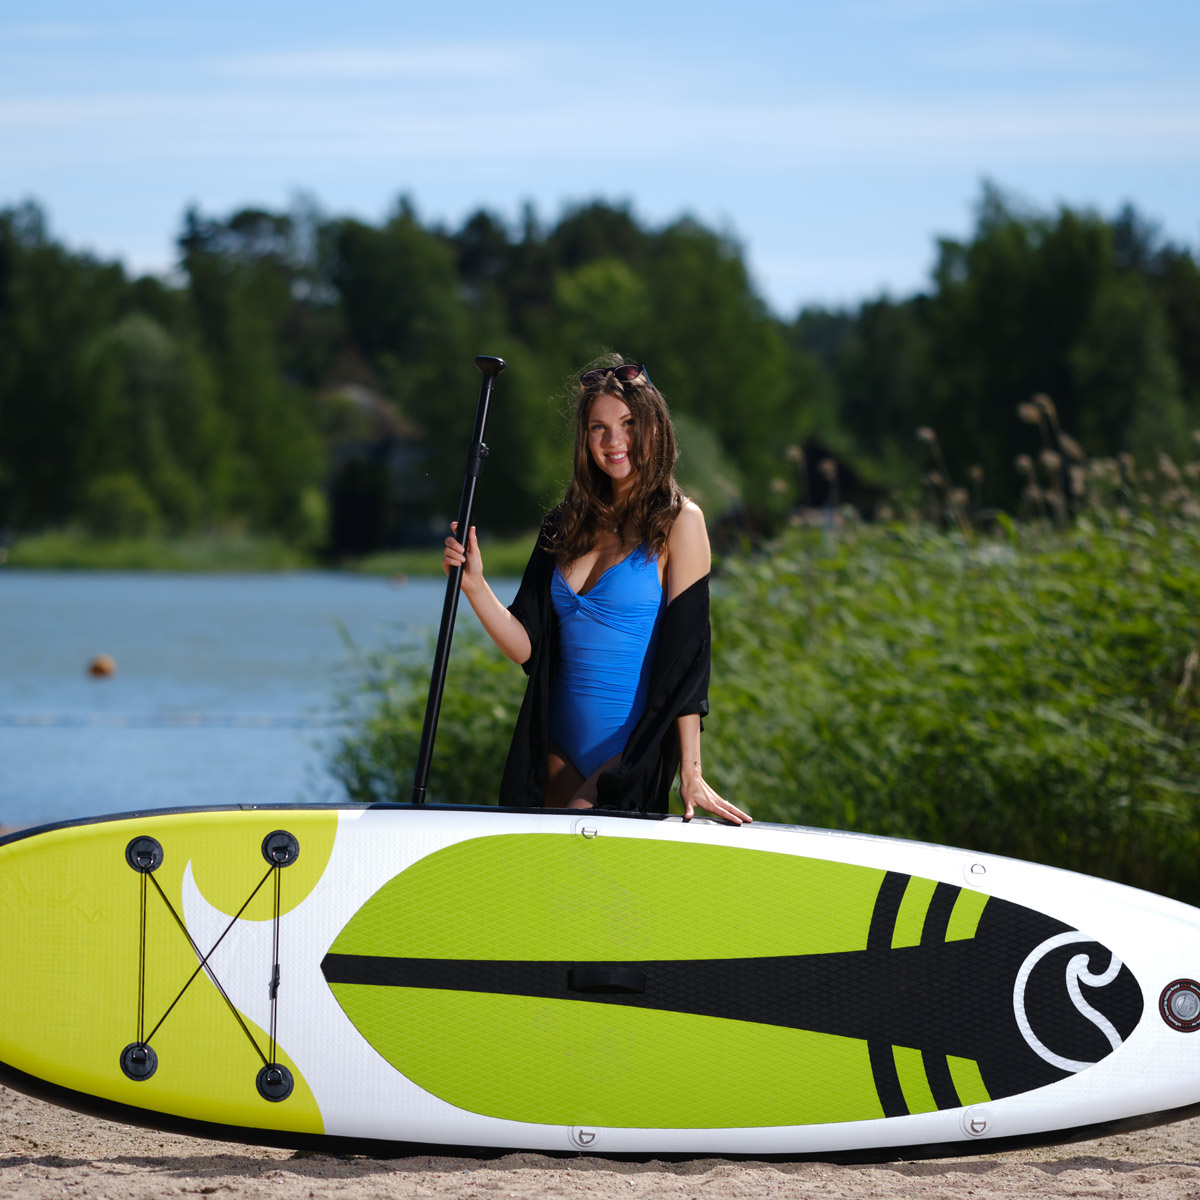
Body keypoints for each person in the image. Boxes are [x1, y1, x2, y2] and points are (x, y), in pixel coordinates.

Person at [442, 358, 751, 824]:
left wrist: (691, 771)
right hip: (553, 743)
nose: (614, 442)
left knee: (578, 839)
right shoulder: (562, 525)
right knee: (541, 879)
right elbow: (527, 646)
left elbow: (689, 659)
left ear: (654, 430)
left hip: (626, 753)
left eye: (628, 425)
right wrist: (475, 586)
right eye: (598, 428)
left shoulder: (680, 523)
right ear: (584, 439)